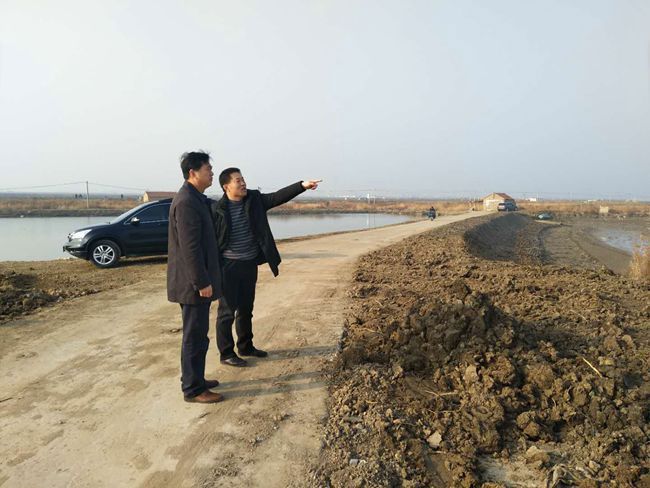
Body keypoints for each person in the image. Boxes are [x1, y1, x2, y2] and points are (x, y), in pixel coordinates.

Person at [210, 168, 321, 366]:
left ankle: (246, 346)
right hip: (228, 267)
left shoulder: (254, 200)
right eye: (238, 181)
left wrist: (302, 186)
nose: (243, 183)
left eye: (243, 179)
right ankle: (226, 354)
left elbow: (277, 197)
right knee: (226, 313)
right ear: (226, 187)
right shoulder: (217, 209)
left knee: (246, 309)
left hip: (249, 263)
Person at [167, 152, 224, 403]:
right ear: (193, 172)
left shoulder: (196, 198)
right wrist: (201, 282)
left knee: (199, 335)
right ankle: (192, 389)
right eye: (208, 169)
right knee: (194, 336)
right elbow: (190, 248)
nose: (211, 173)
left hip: (196, 281)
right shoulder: (187, 202)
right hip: (192, 284)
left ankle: (196, 379)